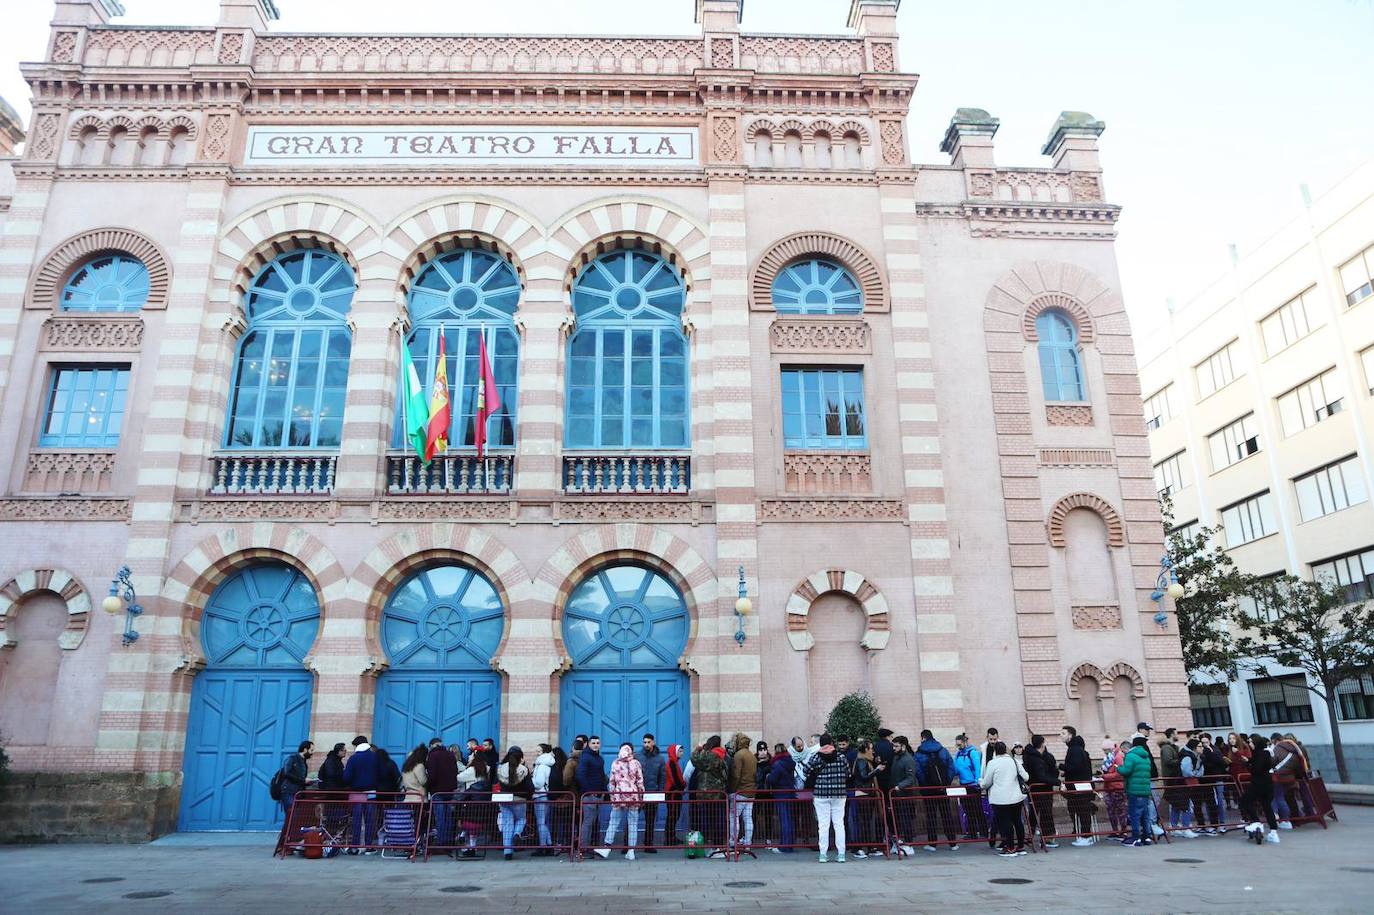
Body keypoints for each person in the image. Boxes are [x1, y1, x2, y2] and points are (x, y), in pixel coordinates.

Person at [802, 733, 851, 864]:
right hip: (839, 794)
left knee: (823, 825)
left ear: (821, 744)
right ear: (831, 743)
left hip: (821, 794)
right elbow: (848, 773)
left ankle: (823, 854)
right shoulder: (841, 756)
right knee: (839, 824)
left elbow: (805, 771)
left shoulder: (816, 757)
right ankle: (841, 854)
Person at [979, 741, 1028, 857]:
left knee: (1005, 823)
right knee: (1017, 822)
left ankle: (1010, 848)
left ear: (995, 751)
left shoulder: (992, 763)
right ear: (1006, 749)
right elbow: (1026, 777)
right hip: (1016, 797)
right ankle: (1020, 847)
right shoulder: (1013, 761)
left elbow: (986, 783)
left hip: (1000, 799)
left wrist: (981, 783)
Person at [597, 743, 645, 860]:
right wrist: (641, 796)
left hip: (619, 796)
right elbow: (640, 782)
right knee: (633, 824)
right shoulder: (636, 763)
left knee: (613, 822)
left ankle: (607, 847)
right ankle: (631, 851)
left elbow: (612, 782)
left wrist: (612, 796)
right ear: (631, 752)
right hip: (633, 796)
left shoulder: (615, 763)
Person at [913, 729, 958, 851]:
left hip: (928, 790)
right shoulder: (942, 750)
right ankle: (953, 843)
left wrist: (926, 784)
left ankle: (932, 843)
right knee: (946, 814)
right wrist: (945, 783)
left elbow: (918, 771)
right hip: (943, 789)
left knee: (931, 815)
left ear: (923, 738)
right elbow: (952, 768)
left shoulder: (919, 753)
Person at [691, 735, 730, 857]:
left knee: (707, 820)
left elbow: (694, 759)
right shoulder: (724, 755)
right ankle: (718, 846)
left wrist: (698, 748)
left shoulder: (709, 756)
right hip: (719, 794)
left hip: (706, 794)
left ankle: (711, 846)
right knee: (719, 819)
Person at [1116, 736, 1156, 847]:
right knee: (1145, 814)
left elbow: (1126, 771)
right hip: (1145, 790)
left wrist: (1118, 768)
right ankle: (1147, 837)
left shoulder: (1131, 756)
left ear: (1125, 749)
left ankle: (1135, 838)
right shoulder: (1146, 757)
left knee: (1134, 814)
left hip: (1134, 789)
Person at [1240, 734, 1281, 844]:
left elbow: (1256, 769)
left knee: (1245, 800)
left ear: (1256, 743)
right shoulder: (1265, 753)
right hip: (1268, 783)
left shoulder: (1260, 754)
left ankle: (1256, 822)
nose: (1249, 744)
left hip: (1259, 783)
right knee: (1267, 806)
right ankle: (1273, 832)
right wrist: (1249, 761)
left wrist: (1248, 765)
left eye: (1251, 742)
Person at [343, 735, 381, 852]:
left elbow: (347, 777)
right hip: (371, 792)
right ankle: (369, 846)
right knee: (370, 820)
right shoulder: (375, 757)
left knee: (357, 820)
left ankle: (355, 846)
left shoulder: (353, 758)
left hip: (357, 792)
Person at [1022, 734, 1060, 848]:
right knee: (1044, 813)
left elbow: (1053, 769)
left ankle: (1031, 835)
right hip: (1040, 788)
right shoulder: (1035, 759)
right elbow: (1041, 776)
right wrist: (1057, 781)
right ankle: (1046, 837)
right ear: (1042, 743)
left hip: (1039, 789)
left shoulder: (1040, 756)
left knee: (1035, 813)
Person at [1059, 726, 1094, 846]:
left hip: (1079, 787)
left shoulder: (1074, 749)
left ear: (1070, 735)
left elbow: (1076, 767)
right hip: (1080, 786)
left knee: (1082, 810)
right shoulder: (1077, 749)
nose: (1061, 735)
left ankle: (1086, 836)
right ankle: (1082, 834)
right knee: (1080, 810)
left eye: (1063, 733)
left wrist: (1062, 767)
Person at [496, 746, 532, 859]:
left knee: (507, 824)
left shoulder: (501, 769)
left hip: (504, 799)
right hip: (519, 800)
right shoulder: (523, 770)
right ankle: (517, 833)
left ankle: (507, 851)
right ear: (520, 757)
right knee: (522, 819)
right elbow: (530, 787)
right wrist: (529, 795)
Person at [632, 733, 666, 852]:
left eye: (648, 742)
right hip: (638, 793)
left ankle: (648, 844)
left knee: (650, 820)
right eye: (644, 742)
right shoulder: (637, 756)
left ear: (653, 742)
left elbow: (662, 777)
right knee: (632, 818)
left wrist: (661, 792)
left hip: (652, 792)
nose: (646, 744)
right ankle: (628, 845)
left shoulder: (660, 759)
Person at [575, 735, 608, 856]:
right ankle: (583, 848)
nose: (596, 745)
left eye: (598, 743)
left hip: (599, 794)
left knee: (592, 821)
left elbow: (602, 775)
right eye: (593, 743)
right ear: (588, 744)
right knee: (588, 821)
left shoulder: (599, 758)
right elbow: (580, 775)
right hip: (590, 795)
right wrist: (588, 791)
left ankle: (588, 847)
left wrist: (605, 792)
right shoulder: (585, 757)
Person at [849, 739, 880, 857]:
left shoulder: (866, 761)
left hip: (867, 793)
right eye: (871, 748)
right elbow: (864, 777)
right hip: (863, 793)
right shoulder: (862, 761)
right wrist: (877, 770)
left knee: (867, 821)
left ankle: (869, 846)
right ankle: (859, 847)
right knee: (864, 821)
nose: (873, 751)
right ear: (866, 749)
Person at [426, 738, 459, 847]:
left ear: (432, 745)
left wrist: (428, 786)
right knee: (448, 816)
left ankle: (441, 841)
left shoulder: (432, 755)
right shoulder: (450, 755)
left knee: (440, 817)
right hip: (449, 790)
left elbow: (432, 774)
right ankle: (449, 840)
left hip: (437, 791)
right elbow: (455, 771)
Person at [763, 743, 796, 853]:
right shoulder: (790, 762)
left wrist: (768, 777)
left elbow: (773, 779)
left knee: (784, 820)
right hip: (790, 792)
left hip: (781, 793)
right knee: (790, 819)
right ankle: (790, 844)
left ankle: (784, 846)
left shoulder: (777, 764)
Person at [727, 732, 757, 852]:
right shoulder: (751, 755)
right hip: (751, 791)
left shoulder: (739, 755)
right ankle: (748, 843)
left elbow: (736, 775)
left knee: (734, 816)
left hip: (740, 791)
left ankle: (733, 842)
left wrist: (732, 790)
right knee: (748, 818)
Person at [456, 756, 491, 857]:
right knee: (474, 821)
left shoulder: (471, 770)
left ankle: (463, 836)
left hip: (471, 800)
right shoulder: (486, 768)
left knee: (466, 816)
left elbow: (459, 777)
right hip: (482, 810)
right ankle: (471, 845)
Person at [889, 735, 918, 855]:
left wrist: (899, 786)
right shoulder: (896, 758)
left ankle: (909, 844)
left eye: (896, 746)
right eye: (893, 746)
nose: (894, 748)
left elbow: (911, 778)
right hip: (897, 795)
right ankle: (900, 843)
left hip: (906, 794)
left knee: (906, 819)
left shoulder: (908, 760)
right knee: (899, 819)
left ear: (903, 746)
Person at [952, 734, 984, 840]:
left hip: (973, 785)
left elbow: (978, 768)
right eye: (957, 745)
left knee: (977, 809)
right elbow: (956, 768)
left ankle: (983, 832)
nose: (959, 747)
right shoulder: (958, 754)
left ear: (965, 742)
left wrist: (977, 782)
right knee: (968, 810)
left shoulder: (972, 753)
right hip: (963, 785)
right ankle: (972, 832)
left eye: (960, 744)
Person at [1181, 738, 1215, 836]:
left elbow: (1201, 771)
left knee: (1195, 804)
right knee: (1188, 806)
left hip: (1195, 782)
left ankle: (1201, 826)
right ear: (1194, 748)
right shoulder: (1188, 758)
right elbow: (1187, 772)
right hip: (1187, 783)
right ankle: (1186, 827)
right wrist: (1195, 774)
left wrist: (1195, 774)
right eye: (1199, 746)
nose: (1202, 748)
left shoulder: (1200, 757)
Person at [530, 743, 558, 855]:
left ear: (544, 752)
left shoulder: (541, 766)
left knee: (541, 822)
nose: (536, 753)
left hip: (540, 795)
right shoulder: (547, 764)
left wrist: (530, 781)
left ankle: (543, 846)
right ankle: (548, 844)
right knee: (544, 821)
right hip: (545, 795)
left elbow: (538, 783)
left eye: (539, 751)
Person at [1198, 732, 1229, 832]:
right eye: (1202, 742)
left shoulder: (1215, 750)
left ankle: (1222, 823)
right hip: (1206, 779)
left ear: (1210, 741)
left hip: (1217, 778)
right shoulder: (1201, 751)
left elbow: (1220, 762)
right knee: (1209, 802)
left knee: (1219, 801)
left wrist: (1211, 754)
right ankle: (1213, 824)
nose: (1204, 744)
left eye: (1206, 742)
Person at [278, 740, 313, 820]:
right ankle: (286, 833)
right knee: (291, 817)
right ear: (305, 750)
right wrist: (303, 780)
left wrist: (308, 782)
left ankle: (287, 832)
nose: (312, 753)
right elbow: (287, 773)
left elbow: (301, 779)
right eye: (311, 750)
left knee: (294, 818)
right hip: (289, 792)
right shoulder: (292, 758)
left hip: (298, 792)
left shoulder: (304, 763)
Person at [1101, 737, 1128, 837]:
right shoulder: (1109, 758)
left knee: (1121, 810)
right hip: (1109, 787)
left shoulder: (1118, 757)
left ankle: (1123, 831)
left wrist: (1104, 776)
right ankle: (1115, 831)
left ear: (1110, 748)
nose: (1104, 752)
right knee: (1111, 810)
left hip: (1117, 787)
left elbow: (1119, 773)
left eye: (1105, 750)